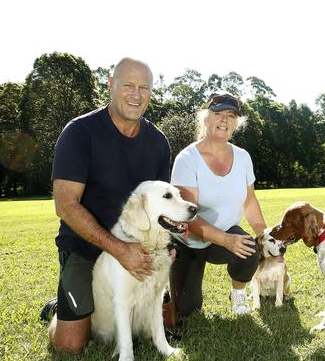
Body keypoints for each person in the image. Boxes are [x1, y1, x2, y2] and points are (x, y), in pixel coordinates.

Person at [40, 58, 171, 353]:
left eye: (144, 88)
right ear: (111, 85)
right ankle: (61, 306)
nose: (136, 95)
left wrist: (161, 248)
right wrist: (119, 249)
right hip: (86, 246)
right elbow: (65, 205)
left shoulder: (158, 142)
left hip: (137, 246)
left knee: (168, 321)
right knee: (71, 345)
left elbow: (162, 210)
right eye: (128, 85)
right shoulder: (79, 132)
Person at [167, 92, 266, 322]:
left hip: (223, 235)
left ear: (236, 124)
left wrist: (264, 235)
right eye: (218, 114)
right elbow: (187, 217)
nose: (224, 120)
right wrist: (225, 240)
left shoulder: (243, 157)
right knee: (188, 311)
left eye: (231, 116)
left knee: (249, 249)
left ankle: (238, 293)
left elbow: (249, 201)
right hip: (188, 240)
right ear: (206, 119)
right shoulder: (187, 159)